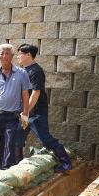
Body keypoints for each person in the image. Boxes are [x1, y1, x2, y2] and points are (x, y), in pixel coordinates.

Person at [15, 43, 72, 172]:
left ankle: (66, 163)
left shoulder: (36, 71)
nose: (18, 56)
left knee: (45, 139)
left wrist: (26, 112)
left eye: (20, 54)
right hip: (25, 112)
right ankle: (16, 165)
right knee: (17, 137)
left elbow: (36, 93)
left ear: (28, 55)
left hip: (36, 113)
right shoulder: (24, 71)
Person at [0, 44, 31, 170]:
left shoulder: (22, 73)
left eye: (7, 53)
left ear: (12, 56)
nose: (4, 56)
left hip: (13, 116)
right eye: (2, 54)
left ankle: (7, 169)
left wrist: (25, 114)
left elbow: (25, 95)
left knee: (10, 143)